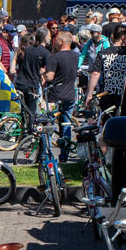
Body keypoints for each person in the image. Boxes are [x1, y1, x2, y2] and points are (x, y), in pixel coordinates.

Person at [43, 32, 81, 160]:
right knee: (66, 124)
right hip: (70, 94)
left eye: (57, 41)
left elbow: (50, 77)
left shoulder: (55, 57)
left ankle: (46, 154)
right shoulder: (76, 56)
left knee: (49, 124)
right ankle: (64, 155)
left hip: (55, 95)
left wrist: (43, 74)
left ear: (61, 42)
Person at [86, 22, 126, 112]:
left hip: (107, 95)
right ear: (123, 38)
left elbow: (95, 74)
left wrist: (89, 96)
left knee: (106, 121)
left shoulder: (103, 53)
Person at [14, 31, 49, 131]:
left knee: (23, 109)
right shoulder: (45, 52)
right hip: (31, 84)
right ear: (45, 37)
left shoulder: (28, 50)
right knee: (31, 111)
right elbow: (44, 70)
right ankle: (30, 133)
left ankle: (20, 130)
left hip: (20, 82)